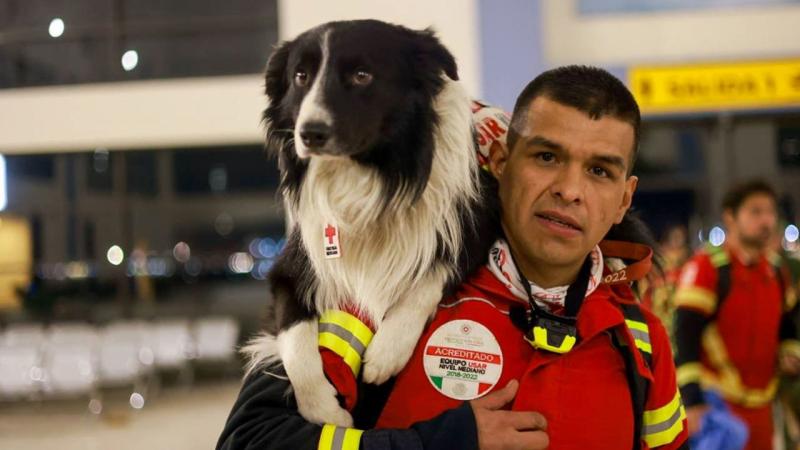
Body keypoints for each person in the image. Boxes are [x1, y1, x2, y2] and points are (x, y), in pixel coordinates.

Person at [217, 66, 688, 450]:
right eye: (546, 157)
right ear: (501, 162)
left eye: (599, 171)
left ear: (625, 200)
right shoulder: (382, 291)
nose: (569, 190)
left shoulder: (641, 340)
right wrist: (439, 442)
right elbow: (251, 438)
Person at [673, 179, 800, 450]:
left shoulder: (776, 271)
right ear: (730, 217)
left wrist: (789, 351)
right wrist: (693, 402)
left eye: (770, 212)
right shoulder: (707, 268)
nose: (767, 221)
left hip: (764, 406)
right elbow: (685, 336)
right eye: (755, 212)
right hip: (719, 409)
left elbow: (786, 323)